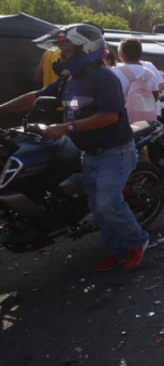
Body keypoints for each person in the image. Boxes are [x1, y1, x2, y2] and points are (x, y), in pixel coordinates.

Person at [0, 24, 149, 271]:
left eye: (66, 47)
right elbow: (35, 97)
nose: (61, 53)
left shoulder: (104, 77)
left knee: (107, 205)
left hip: (114, 152)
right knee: (96, 208)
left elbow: (110, 116)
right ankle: (116, 250)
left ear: (86, 48)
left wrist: (66, 128)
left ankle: (138, 240)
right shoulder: (69, 79)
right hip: (89, 153)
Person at [111, 38, 161, 124]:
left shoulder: (114, 73)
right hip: (146, 122)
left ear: (121, 55)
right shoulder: (151, 74)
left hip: (123, 121)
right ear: (140, 54)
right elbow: (155, 98)